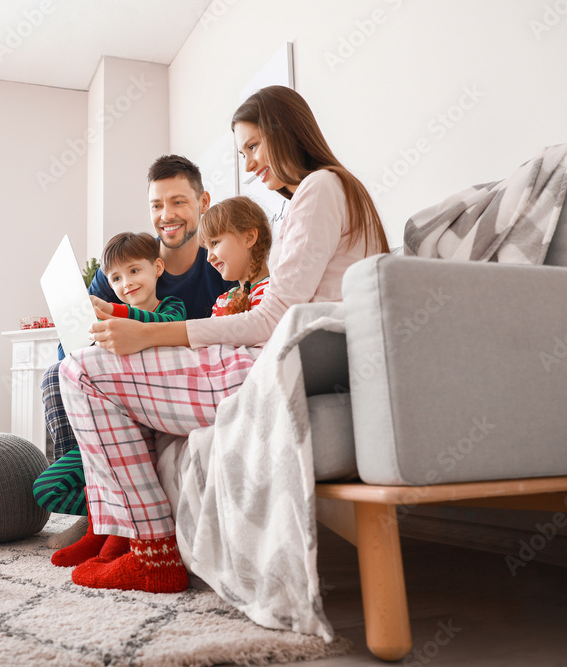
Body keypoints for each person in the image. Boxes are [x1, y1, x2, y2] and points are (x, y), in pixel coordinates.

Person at [58, 85, 390, 594]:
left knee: (79, 372)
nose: (251, 164)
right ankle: (118, 535)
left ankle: (152, 553)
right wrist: (129, 323)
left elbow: (270, 320)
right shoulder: (334, 192)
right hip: (278, 358)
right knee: (87, 364)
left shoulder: (321, 188)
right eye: (244, 152)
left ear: (284, 133)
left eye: (254, 146)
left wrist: (149, 334)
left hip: (273, 367)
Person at [41, 156, 235, 470]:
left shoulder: (221, 265)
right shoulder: (123, 271)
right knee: (55, 375)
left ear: (203, 203)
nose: (166, 215)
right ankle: (83, 477)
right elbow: (70, 346)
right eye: (156, 205)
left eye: (178, 202)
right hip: (126, 377)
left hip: (187, 382)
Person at [33, 232, 186, 566]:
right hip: (104, 430)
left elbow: (166, 325)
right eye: (116, 278)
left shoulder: (172, 309)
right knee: (46, 489)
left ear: (157, 268)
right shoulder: (107, 324)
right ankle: (101, 518)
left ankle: (114, 519)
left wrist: (114, 313)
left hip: (143, 427)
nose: (126, 282)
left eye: (134, 271)